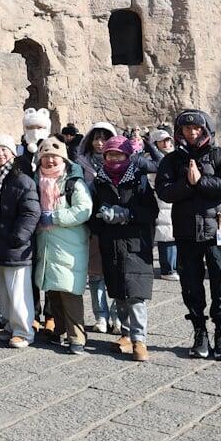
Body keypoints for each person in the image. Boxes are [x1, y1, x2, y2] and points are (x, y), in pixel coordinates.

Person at [155, 109, 221, 362]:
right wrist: (187, 183)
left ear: (206, 129)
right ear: (180, 131)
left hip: (218, 230)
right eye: (187, 128)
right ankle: (199, 332)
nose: (192, 132)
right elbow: (164, 191)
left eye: (196, 128)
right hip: (187, 232)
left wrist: (201, 181)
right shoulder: (172, 160)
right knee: (191, 284)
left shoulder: (220, 156)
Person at [89, 136, 158, 362]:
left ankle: (140, 340)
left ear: (127, 156)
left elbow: (152, 211)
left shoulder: (138, 179)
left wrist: (128, 214)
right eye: (110, 154)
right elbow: (92, 215)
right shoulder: (99, 181)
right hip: (111, 244)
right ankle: (126, 334)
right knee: (118, 292)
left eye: (119, 154)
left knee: (135, 295)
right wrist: (102, 217)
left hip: (136, 244)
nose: (114, 158)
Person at [31, 138, 93, 354]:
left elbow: (84, 209)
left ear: (63, 159)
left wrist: (55, 217)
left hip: (69, 245)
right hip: (46, 243)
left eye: (54, 157)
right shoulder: (36, 180)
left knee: (69, 291)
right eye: (45, 156)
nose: (49, 160)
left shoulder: (73, 182)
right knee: (53, 290)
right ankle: (60, 330)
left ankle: (77, 337)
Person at [0, 134, 39, 348]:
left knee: (18, 291)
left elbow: (31, 212)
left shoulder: (22, 180)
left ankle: (24, 331)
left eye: (4, 150)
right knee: (4, 292)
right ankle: (9, 326)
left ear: (13, 154)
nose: (0, 154)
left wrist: (18, 237)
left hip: (15, 246)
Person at [77, 122, 120, 335]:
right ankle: (100, 316)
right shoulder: (81, 163)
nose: (100, 143)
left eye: (105, 138)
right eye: (96, 138)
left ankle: (117, 315)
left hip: (117, 225)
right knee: (95, 274)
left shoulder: (122, 163)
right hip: (93, 224)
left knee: (118, 272)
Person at [136, 129, 178, 279]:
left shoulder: (177, 156)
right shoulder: (149, 160)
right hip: (159, 198)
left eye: (167, 140)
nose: (166, 143)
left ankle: (175, 266)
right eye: (162, 141)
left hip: (175, 197)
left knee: (174, 232)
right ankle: (168, 268)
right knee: (165, 233)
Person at [16, 108, 52, 177]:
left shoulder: (51, 148)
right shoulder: (20, 148)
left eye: (39, 127)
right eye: (30, 127)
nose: (35, 131)